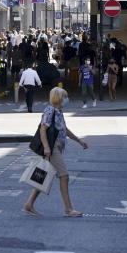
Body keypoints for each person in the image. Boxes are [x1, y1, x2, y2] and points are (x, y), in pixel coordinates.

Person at [23, 87, 89, 217]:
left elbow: (64, 129)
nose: (67, 99)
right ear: (58, 98)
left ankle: (29, 205)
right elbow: (43, 130)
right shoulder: (50, 110)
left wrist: (79, 140)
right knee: (64, 176)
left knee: (44, 175)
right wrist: (47, 148)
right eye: (65, 97)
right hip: (52, 148)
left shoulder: (59, 111)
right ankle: (68, 209)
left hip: (56, 147)